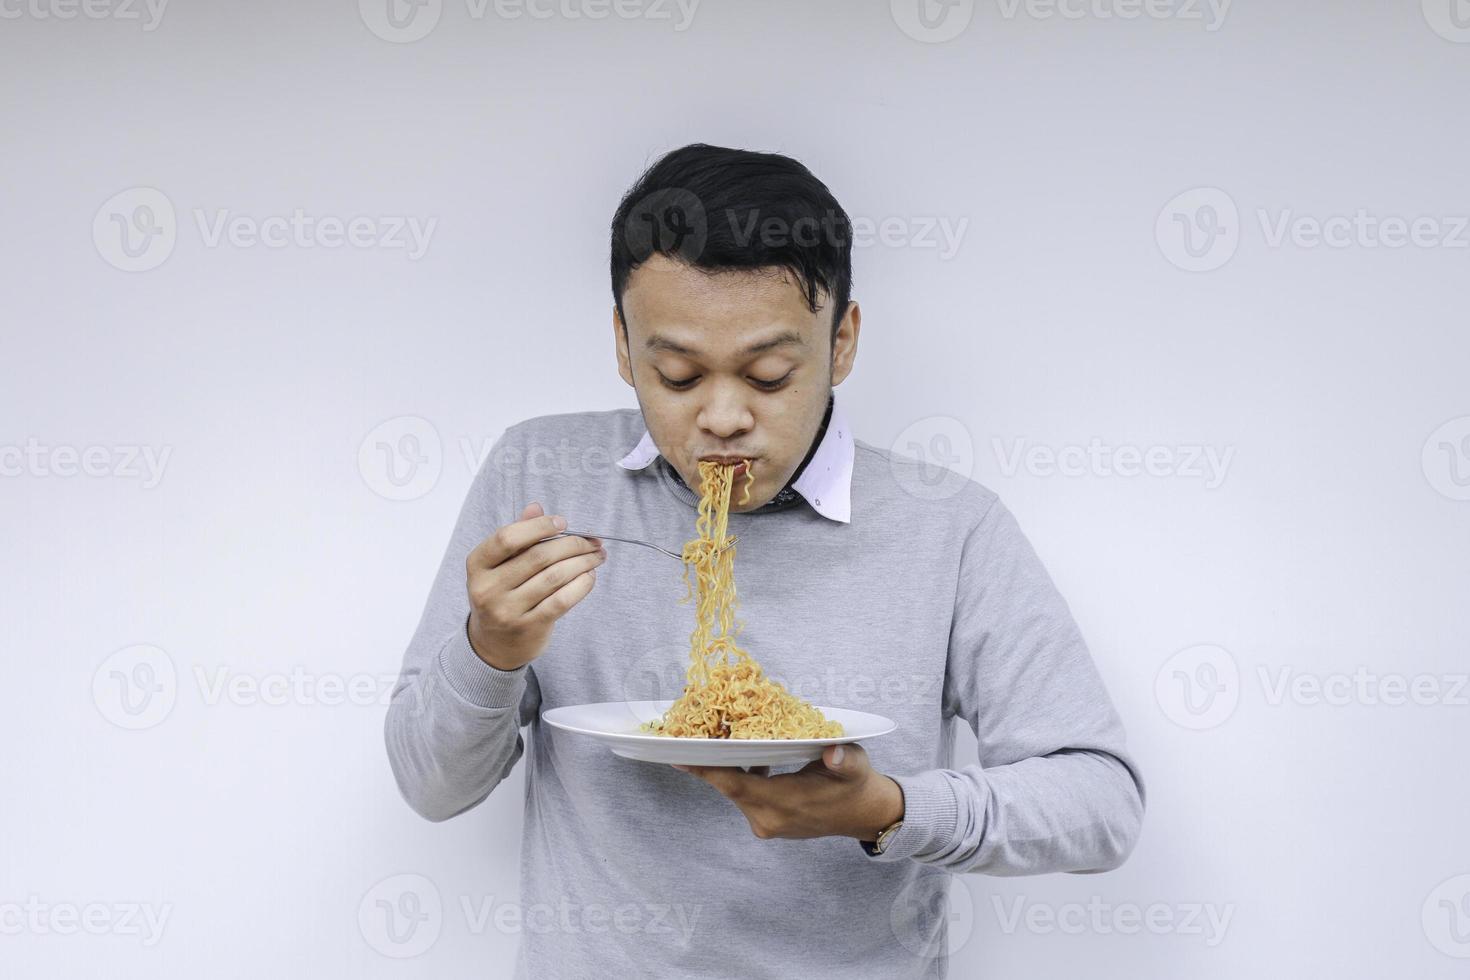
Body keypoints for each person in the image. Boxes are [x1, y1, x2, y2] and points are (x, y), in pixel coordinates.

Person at [385, 142, 1145, 977]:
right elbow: (432, 787)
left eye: (771, 375)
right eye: (675, 375)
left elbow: (1101, 804)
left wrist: (889, 811)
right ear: (622, 346)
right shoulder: (540, 477)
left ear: (842, 342)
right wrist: (487, 649)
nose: (721, 418)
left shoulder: (951, 528)